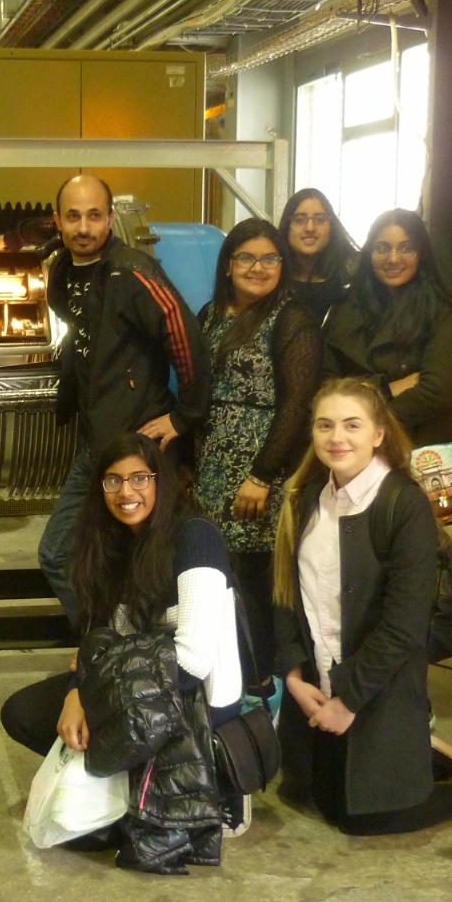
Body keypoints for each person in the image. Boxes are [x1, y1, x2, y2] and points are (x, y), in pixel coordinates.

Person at [271, 377, 452, 837]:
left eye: (352, 425)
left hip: (377, 686)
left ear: (378, 434)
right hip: (319, 683)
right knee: (313, 797)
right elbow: (286, 594)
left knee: (366, 818)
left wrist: (348, 701)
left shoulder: (403, 505)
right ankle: (426, 753)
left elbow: (404, 626)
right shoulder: (306, 497)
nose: (337, 437)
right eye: (325, 425)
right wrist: (292, 674)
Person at [1, 433, 241, 874]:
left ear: (160, 481)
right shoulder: (108, 543)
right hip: (135, 682)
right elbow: (97, 638)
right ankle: (124, 793)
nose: (126, 492)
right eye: (113, 481)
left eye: (139, 478)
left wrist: (101, 687)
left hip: (195, 701)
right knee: (24, 713)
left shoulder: (195, 537)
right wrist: (77, 690)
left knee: (108, 732)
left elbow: (193, 659)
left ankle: (173, 796)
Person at [38, 175, 210, 625]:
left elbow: (185, 336)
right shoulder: (63, 268)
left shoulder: (133, 271)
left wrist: (184, 416)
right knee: (76, 555)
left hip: (137, 444)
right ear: (58, 221)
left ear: (111, 218)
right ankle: (110, 642)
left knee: (97, 557)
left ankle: (122, 643)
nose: (84, 227)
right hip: (96, 441)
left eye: (94, 215)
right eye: (73, 216)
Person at [193, 218, 322, 681]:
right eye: (246, 257)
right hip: (212, 467)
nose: (258, 267)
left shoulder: (292, 319)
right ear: (228, 265)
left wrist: (262, 475)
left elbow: (297, 405)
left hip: (259, 471)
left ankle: (262, 681)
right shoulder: (211, 313)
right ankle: (223, 674)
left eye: (270, 258)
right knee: (217, 576)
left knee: (255, 582)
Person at [324, 208, 452, 447]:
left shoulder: (445, 308)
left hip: (421, 449)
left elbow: (437, 392)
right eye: (382, 248)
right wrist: (389, 388)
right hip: (352, 451)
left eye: (406, 248)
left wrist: (368, 426)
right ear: (370, 253)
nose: (393, 258)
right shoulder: (345, 306)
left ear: (421, 253)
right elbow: (328, 384)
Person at [277, 188, 355, 327]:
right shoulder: (272, 276)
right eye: (299, 219)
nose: (310, 228)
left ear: (331, 226)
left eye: (320, 219)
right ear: (287, 226)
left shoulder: (354, 275)